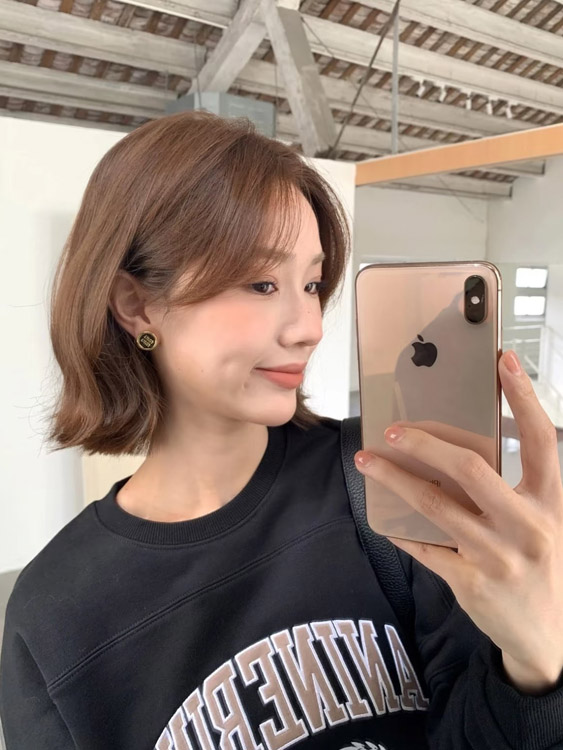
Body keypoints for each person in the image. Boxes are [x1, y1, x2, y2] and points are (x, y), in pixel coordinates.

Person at [0, 110, 562, 750]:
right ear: (137, 305)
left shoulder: (380, 480)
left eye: (313, 283)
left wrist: (536, 663)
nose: (310, 328)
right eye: (261, 282)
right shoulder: (55, 617)